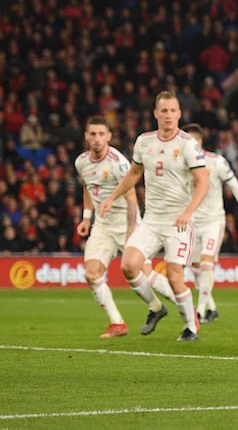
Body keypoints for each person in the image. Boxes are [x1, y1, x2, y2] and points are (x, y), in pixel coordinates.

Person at [99, 90, 209, 342]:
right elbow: (134, 174)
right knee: (128, 265)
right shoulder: (144, 141)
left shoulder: (187, 144)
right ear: (156, 113)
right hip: (151, 219)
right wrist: (111, 198)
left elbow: (203, 182)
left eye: (173, 111)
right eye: (164, 111)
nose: (169, 115)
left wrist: (188, 213)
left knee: (174, 277)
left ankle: (191, 326)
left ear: (179, 114)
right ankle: (156, 307)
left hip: (178, 222)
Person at [75, 116, 177, 338]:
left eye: (101, 134)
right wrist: (86, 217)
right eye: (92, 134)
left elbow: (132, 198)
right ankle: (119, 323)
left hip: (126, 223)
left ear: (109, 137)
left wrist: (132, 229)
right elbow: (88, 188)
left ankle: (184, 306)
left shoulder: (117, 163)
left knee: (145, 273)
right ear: (86, 137)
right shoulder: (81, 162)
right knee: (92, 275)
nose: (97, 139)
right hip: (102, 227)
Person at [182, 123, 238, 323]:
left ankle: (200, 311)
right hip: (192, 222)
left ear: (200, 141)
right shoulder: (181, 164)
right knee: (196, 268)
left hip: (214, 221)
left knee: (206, 263)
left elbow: (235, 186)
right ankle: (211, 308)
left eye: (193, 140)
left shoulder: (216, 162)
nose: (190, 145)